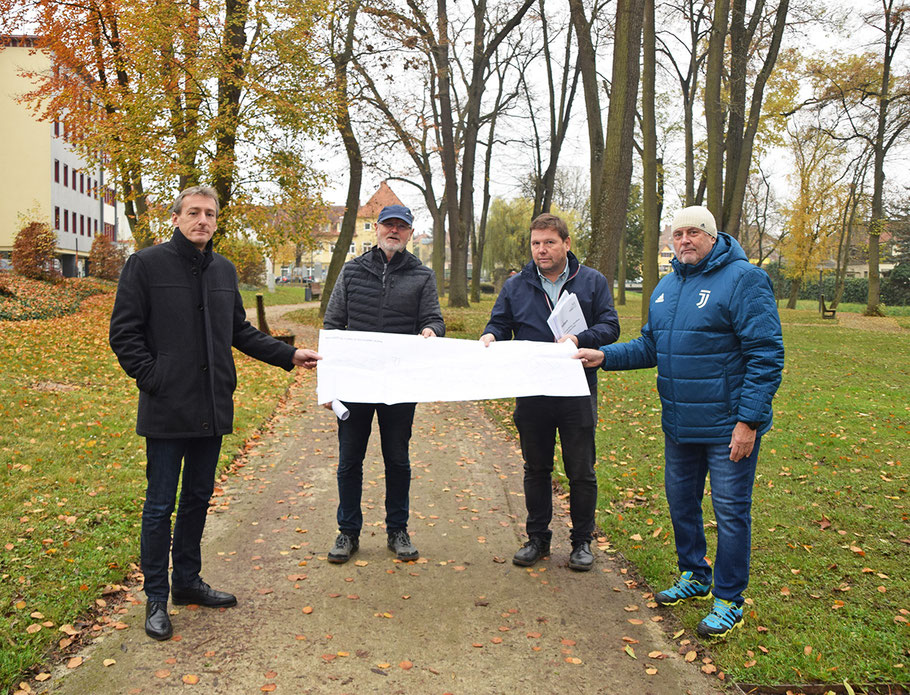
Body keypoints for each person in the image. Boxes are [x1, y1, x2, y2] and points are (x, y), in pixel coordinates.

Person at [109, 186, 320, 641]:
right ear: (176, 218)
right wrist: (155, 378)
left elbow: (238, 331)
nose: (202, 220)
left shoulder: (223, 270)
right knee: (160, 504)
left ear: (216, 221)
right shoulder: (145, 265)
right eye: (193, 213)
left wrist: (288, 354)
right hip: (167, 407)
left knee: (197, 499)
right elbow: (124, 334)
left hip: (211, 403)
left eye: (209, 214)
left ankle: (187, 582)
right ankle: (156, 597)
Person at [575, 205, 784, 637]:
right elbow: (652, 346)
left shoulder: (744, 279)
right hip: (680, 423)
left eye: (694, 232)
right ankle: (694, 574)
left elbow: (766, 354)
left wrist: (749, 421)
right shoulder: (666, 287)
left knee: (730, 513)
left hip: (728, 426)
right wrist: (604, 356)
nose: (684, 240)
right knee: (682, 504)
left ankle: (729, 599)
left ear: (712, 237)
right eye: (678, 234)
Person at [480, 213, 619, 571]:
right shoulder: (516, 285)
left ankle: (581, 543)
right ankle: (537, 539)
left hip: (576, 390)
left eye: (549, 243)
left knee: (581, 471)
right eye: (536, 244)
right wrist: (491, 335)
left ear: (566, 244)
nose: (541, 250)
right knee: (536, 468)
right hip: (533, 390)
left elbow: (610, 326)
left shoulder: (592, 282)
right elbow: (500, 322)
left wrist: (581, 338)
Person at [322, 204, 444, 564]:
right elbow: (332, 326)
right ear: (376, 229)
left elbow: (434, 319)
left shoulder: (422, 276)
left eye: (401, 227)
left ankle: (397, 530)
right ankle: (348, 532)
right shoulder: (351, 271)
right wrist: (329, 384)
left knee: (397, 459)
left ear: (409, 233)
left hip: (398, 384)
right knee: (349, 460)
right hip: (355, 383)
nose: (394, 231)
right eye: (388, 225)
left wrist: (430, 331)